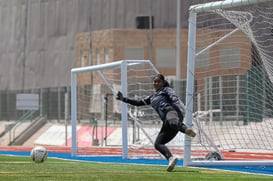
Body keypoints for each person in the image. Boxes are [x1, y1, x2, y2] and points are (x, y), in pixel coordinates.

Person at [116, 74, 196, 172]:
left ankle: (186, 129)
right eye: (155, 82)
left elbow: (172, 94)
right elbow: (137, 103)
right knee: (158, 144)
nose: (156, 83)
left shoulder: (166, 90)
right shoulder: (152, 97)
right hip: (166, 122)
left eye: (158, 81)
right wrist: (123, 99)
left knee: (172, 122)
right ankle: (171, 159)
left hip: (172, 112)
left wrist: (174, 98)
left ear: (163, 82)